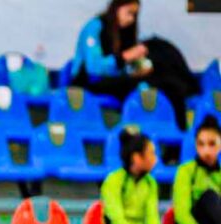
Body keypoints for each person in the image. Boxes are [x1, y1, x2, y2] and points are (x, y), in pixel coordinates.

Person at [70, 0, 199, 130]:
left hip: (115, 80)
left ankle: (181, 132)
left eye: (135, 15)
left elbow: (123, 70)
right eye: (129, 13)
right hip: (90, 82)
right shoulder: (94, 27)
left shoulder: (123, 32)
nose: (131, 19)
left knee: (166, 83)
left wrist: (137, 70)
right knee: (141, 85)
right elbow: (94, 68)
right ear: (117, 8)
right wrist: (125, 57)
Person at [101, 128, 163, 224]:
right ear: (137, 158)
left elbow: (152, 216)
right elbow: (118, 222)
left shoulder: (151, 183)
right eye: (151, 154)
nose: (156, 159)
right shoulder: (113, 181)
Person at [172, 115, 221, 224]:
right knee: (209, 196)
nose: (206, 151)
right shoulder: (185, 170)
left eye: (212, 144)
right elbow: (181, 216)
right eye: (201, 144)